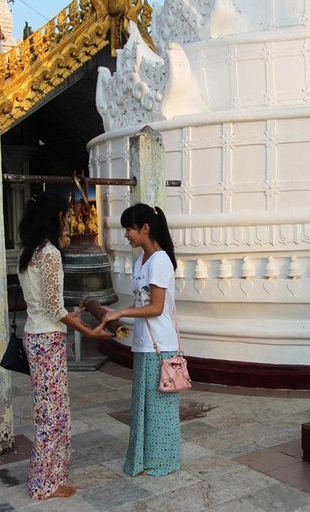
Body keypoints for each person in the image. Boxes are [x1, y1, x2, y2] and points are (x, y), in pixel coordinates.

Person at [16, 192, 112, 500]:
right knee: (53, 415)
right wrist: (88, 331)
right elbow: (55, 309)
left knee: (47, 412)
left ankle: (48, 478)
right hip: (47, 340)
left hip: (35, 335)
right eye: (63, 215)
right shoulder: (50, 254)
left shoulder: (28, 253)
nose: (66, 221)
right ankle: (45, 483)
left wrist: (70, 316)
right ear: (54, 218)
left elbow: (44, 306)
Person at [100, 203, 181, 477]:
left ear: (145, 229)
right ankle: (145, 459)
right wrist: (120, 319)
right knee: (144, 406)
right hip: (145, 343)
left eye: (130, 229)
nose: (127, 235)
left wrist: (122, 311)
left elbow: (156, 307)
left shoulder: (159, 260)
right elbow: (143, 304)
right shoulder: (141, 261)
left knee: (159, 409)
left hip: (160, 345)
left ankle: (162, 460)